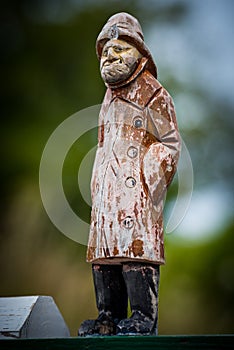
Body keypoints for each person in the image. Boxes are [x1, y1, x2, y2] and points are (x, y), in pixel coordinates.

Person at [78, 12, 180, 336]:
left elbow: (170, 142)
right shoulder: (106, 100)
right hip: (108, 192)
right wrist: (98, 181)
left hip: (136, 194)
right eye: (106, 50)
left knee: (135, 251)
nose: (111, 56)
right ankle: (107, 314)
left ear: (139, 52)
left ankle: (142, 316)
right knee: (105, 255)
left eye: (119, 49)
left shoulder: (154, 93)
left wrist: (147, 176)